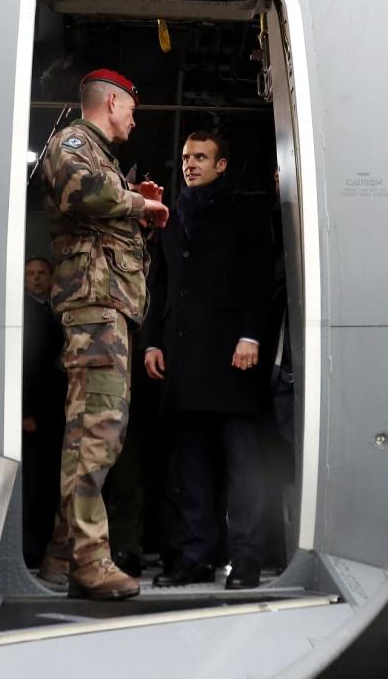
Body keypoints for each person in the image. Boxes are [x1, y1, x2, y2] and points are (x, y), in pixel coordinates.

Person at [34, 68, 169, 601]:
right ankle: (90, 562)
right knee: (96, 433)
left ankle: (62, 558)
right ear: (111, 102)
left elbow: (99, 207)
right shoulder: (74, 143)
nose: (134, 123)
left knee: (100, 433)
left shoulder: (100, 157)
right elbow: (80, 191)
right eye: (132, 110)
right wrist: (141, 204)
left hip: (107, 312)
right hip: (94, 312)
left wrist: (134, 202)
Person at [144, 131, 275, 590]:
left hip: (234, 359)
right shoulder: (172, 219)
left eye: (200, 157)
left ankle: (246, 560)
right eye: (185, 157)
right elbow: (159, 285)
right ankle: (196, 557)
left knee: (244, 469)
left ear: (222, 165)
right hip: (182, 360)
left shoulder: (245, 212)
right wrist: (152, 342)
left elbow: (262, 277)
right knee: (191, 468)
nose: (190, 164)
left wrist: (252, 334)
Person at [20, 257, 66, 567]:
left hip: (57, 412)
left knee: (52, 484)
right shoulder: (22, 313)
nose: (36, 278)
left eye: (41, 273)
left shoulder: (58, 311)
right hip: (33, 414)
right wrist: (24, 412)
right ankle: (32, 550)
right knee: (33, 486)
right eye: (30, 274)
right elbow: (24, 366)